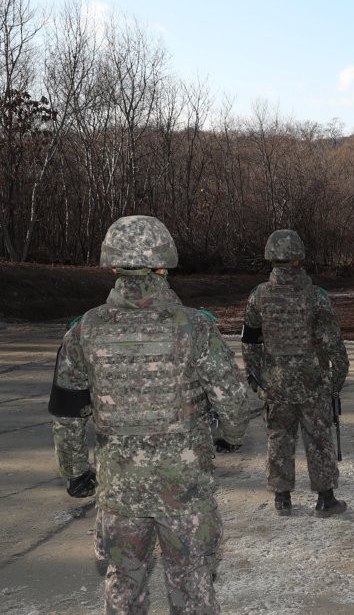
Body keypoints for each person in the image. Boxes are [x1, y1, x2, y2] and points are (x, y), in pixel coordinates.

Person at [48, 214, 250, 614]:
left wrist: (75, 472)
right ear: (164, 265)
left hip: (120, 490)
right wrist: (231, 435)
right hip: (186, 489)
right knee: (192, 583)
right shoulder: (195, 327)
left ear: (112, 266)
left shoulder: (84, 330)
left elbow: (68, 414)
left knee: (124, 583)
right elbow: (232, 400)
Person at [241, 229, 349, 518]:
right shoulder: (316, 297)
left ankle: (282, 498)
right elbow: (334, 345)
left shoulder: (258, 297)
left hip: (275, 383)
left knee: (279, 436)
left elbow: (250, 343)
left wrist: (258, 382)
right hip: (312, 383)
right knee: (318, 439)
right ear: (299, 260)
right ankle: (326, 499)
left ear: (271, 259)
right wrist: (334, 382)